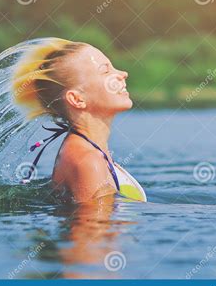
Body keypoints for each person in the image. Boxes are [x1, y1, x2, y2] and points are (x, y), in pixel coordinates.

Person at [13, 38, 146, 203]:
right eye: (105, 70)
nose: (122, 74)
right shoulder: (89, 161)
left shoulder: (89, 151)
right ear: (77, 99)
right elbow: (92, 227)